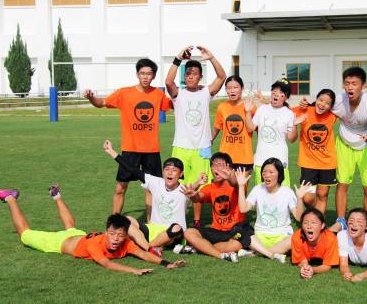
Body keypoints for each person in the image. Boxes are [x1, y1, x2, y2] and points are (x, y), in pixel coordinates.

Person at [0, 187, 185, 274]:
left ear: (126, 234)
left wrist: (165, 263)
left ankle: (57, 196)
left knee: (71, 227)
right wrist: (134, 271)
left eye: (120, 235)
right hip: (58, 243)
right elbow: (106, 264)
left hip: (77, 236)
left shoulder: (126, 242)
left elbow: (144, 254)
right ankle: (11, 198)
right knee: (25, 235)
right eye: (112, 234)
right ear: (106, 231)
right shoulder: (95, 244)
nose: (116, 239)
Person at [83, 58, 172, 221]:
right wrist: (90, 97)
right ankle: (115, 221)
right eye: (142, 73)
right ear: (137, 74)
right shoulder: (124, 93)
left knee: (151, 189)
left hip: (152, 150)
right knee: (120, 188)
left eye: (149, 74)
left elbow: (175, 104)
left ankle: (151, 223)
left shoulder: (158, 94)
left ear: (153, 76)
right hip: (130, 150)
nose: (145, 77)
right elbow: (101, 103)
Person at [300, 67, 367, 231]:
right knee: (342, 184)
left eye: (354, 83)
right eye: (347, 83)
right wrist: (306, 103)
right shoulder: (338, 100)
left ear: (363, 85)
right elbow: (321, 104)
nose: (350, 87)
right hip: (344, 144)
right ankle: (341, 221)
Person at [102, 139, 206, 256]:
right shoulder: (156, 182)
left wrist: (199, 183)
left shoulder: (184, 189)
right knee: (127, 220)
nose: (170, 173)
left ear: (181, 174)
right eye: (167, 169)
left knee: (176, 228)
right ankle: (154, 246)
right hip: (153, 231)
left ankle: (146, 246)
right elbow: (131, 168)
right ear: (162, 172)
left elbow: (194, 193)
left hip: (173, 235)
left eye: (174, 170)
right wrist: (111, 151)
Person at [165, 45, 227, 229]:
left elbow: (222, 77)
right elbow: (168, 82)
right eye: (188, 73)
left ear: (201, 76)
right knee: (179, 185)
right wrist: (178, 59)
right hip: (181, 147)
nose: (190, 76)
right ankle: (177, 219)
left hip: (202, 148)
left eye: (194, 73)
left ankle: (197, 222)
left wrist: (211, 57)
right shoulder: (178, 94)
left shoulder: (205, 92)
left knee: (199, 186)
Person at [180, 152, 253, 263]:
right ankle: (220, 255)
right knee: (189, 233)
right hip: (216, 230)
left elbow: (235, 183)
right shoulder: (210, 187)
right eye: (214, 165)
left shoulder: (239, 183)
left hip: (235, 229)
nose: (216, 169)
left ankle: (199, 248)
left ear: (229, 167)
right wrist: (193, 194)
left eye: (220, 165)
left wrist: (230, 178)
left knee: (236, 245)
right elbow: (198, 197)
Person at [236, 158, 312, 263]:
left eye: (271, 172)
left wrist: (299, 198)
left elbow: (299, 217)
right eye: (264, 172)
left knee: (295, 239)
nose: (267, 175)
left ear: (279, 174)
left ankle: (256, 252)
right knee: (244, 232)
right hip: (260, 236)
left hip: (282, 236)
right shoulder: (258, 189)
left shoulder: (287, 192)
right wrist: (240, 186)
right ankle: (272, 254)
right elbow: (243, 209)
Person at [244, 77, 298, 187]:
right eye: (275, 91)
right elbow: (250, 128)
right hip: (261, 160)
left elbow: (292, 139)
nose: (276, 94)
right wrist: (248, 112)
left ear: (286, 97)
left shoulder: (289, 114)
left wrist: (295, 124)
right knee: (262, 195)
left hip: (280, 160)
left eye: (281, 92)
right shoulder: (262, 109)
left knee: (282, 195)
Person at [292, 89, 338, 213]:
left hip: (327, 163)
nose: (323, 104)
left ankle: (318, 224)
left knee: (322, 195)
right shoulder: (305, 110)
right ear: (316, 99)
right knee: (307, 198)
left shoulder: (333, 115)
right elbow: (282, 110)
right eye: (320, 100)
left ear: (331, 106)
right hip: (308, 163)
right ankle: (314, 216)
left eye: (327, 103)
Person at [211, 75, 256, 175]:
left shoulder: (251, 108)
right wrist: (206, 143)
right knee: (225, 190)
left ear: (242, 88)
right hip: (225, 158)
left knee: (241, 189)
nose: (232, 91)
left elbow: (256, 130)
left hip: (244, 158)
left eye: (235, 87)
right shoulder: (222, 107)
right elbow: (216, 129)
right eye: (229, 88)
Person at [291, 207, 340, 279]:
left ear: (322, 225)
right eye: (305, 223)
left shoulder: (330, 239)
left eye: (313, 223)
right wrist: (305, 268)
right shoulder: (297, 237)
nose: (309, 226)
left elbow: (328, 265)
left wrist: (313, 270)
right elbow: (301, 260)